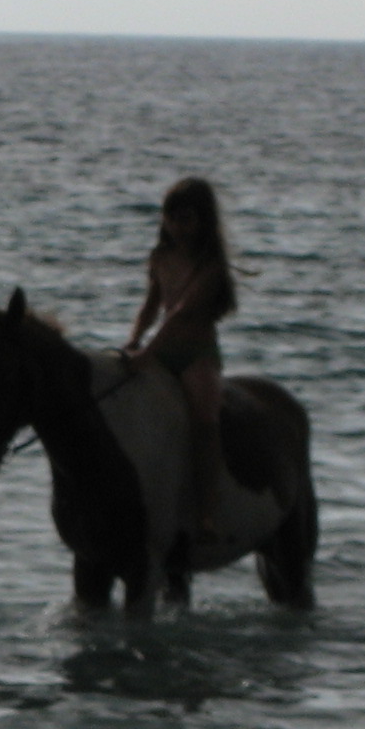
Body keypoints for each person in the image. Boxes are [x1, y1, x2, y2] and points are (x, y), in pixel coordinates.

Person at [126, 174, 237, 540]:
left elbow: (181, 315)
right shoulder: (160, 257)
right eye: (171, 219)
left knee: (205, 424)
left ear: (203, 220)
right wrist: (134, 339)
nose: (176, 227)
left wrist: (148, 352)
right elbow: (152, 304)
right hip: (160, 349)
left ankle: (207, 510)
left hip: (195, 354)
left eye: (186, 219)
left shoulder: (211, 268)